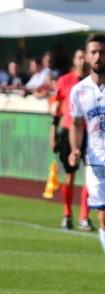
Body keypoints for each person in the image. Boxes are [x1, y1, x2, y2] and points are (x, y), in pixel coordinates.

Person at [68, 33, 105, 253]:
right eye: (94, 52)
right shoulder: (79, 90)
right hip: (96, 162)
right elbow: (76, 123)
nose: (99, 56)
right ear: (87, 57)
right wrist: (74, 148)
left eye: (102, 52)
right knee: (103, 216)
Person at [51, 48, 93, 231]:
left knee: (91, 175)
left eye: (86, 57)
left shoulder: (96, 82)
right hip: (69, 131)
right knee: (69, 175)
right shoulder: (64, 81)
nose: (83, 61)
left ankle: (84, 216)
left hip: (91, 132)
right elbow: (56, 109)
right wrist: (53, 132)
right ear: (74, 60)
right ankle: (67, 214)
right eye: (79, 57)